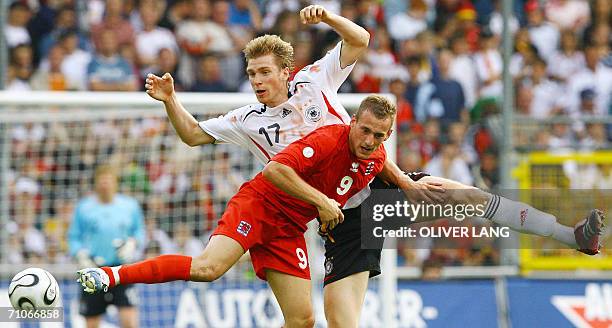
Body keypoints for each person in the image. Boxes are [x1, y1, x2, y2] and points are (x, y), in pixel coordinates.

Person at [78, 95, 396, 328]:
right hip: (259, 205)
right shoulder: (327, 137)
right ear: (352, 122)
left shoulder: (375, 160)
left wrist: (431, 194)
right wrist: (323, 203)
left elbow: (397, 180)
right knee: (208, 268)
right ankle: (111, 275)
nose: (369, 140)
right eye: (364, 130)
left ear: (387, 137)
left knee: (301, 320)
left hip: (288, 229)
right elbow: (274, 171)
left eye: (378, 135)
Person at [68, 164, 144, 328]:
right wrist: (80, 254)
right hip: (93, 269)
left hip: (123, 269)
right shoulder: (84, 208)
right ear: (96, 184)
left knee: (129, 319)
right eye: (101, 181)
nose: (105, 184)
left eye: (108, 180)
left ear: (115, 183)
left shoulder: (130, 206)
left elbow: (139, 232)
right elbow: (74, 236)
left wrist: (132, 243)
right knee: (92, 321)